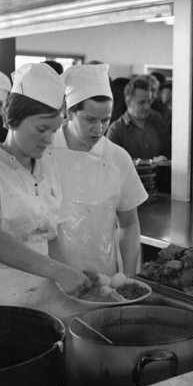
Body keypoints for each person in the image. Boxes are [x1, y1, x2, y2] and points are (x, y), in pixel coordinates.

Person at [0, 63, 89, 310]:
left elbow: (51, 238)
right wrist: (57, 272)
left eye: (54, 130)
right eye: (41, 128)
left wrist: (76, 275)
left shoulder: (48, 168)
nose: (48, 138)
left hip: (42, 296)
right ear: (12, 120)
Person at [49, 64, 147, 277]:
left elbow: (129, 224)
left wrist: (128, 276)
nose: (99, 129)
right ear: (69, 112)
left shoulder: (118, 158)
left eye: (106, 120)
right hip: (51, 277)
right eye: (90, 120)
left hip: (103, 278)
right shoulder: (45, 151)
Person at [106, 77, 171, 160]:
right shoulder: (116, 130)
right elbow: (111, 163)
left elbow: (168, 151)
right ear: (128, 102)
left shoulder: (158, 120)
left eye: (149, 101)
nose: (147, 107)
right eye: (142, 103)